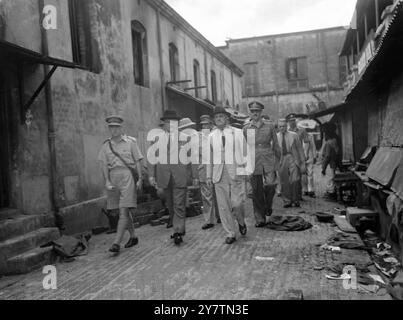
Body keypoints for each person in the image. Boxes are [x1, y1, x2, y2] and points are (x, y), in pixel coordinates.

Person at [149, 110, 198, 245]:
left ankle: (177, 231)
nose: (170, 125)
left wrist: (195, 176)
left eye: (173, 123)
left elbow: (192, 157)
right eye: (167, 123)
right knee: (170, 205)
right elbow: (151, 158)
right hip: (164, 177)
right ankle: (179, 227)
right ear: (163, 125)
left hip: (180, 176)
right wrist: (151, 175)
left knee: (179, 205)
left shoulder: (185, 138)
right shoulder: (156, 139)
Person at [98, 115, 144, 254]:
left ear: (121, 128)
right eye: (111, 127)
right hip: (113, 178)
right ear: (109, 129)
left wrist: (140, 178)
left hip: (127, 176)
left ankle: (116, 243)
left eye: (116, 127)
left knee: (123, 210)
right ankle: (133, 236)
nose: (114, 130)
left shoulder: (130, 142)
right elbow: (104, 165)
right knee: (121, 210)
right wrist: (106, 181)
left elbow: (137, 161)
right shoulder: (106, 145)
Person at [207, 106, 251, 245]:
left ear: (227, 118)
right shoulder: (211, 136)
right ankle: (230, 233)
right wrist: (208, 176)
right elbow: (209, 158)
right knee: (223, 206)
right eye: (216, 117)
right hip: (219, 174)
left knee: (237, 203)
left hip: (236, 172)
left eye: (221, 116)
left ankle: (241, 221)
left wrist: (247, 170)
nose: (219, 119)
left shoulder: (237, 133)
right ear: (214, 120)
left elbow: (245, 152)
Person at [243, 101, 281, 228]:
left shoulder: (269, 126)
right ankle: (260, 218)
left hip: (268, 159)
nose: (255, 113)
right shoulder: (246, 128)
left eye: (257, 111)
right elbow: (244, 148)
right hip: (253, 161)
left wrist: (278, 161)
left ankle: (268, 205)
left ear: (261, 112)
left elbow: (275, 144)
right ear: (250, 112)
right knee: (256, 191)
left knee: (271, 184)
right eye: (252, 111)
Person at [277, 119, 306, 208]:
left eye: (284, 126)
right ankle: (287, 201)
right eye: (280, 126)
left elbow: (300, 149)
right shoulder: (276, 137)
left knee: (295, 179)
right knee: (284, 181)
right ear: (278, 127)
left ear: (287, 126)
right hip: (282, 159)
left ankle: (296, 200)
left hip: (293, 157)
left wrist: (302, 163)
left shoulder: (294, 135)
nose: (282, 128)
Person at [198, 115, 220, 230]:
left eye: (207, 124)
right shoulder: (199, 138)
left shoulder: (216, 136)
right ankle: (209, 220)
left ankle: (220, 216)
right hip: (204, 169)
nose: (204, 126)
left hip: (217, 168)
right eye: (203, 125)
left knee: (219, 194)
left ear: (211, 125)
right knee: (206, 197)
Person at [298, 125, 317, 198]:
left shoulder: (310, 136)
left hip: (309, 157)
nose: (302, 130)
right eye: (301, 129)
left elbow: (313, 146)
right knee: (303, 174)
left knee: (310, 173)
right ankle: (304, 190)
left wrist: (315, 156)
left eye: (303, 129)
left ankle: (311, 190)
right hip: (301, 158)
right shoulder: (297, 137)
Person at [322, 129, 341, 199]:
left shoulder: (328, 143)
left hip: (330, 163)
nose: (324, 136)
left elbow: (327, 156)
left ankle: (331, 194)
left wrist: (323, 168)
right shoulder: (335, 141)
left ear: (327, 135)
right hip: (334, 163)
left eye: (325, 135)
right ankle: (332, 193)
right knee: (332, 178)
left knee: (329, 179)